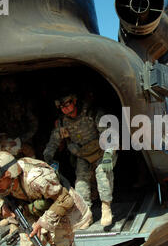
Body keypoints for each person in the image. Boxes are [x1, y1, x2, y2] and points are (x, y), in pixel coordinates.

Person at [43, 93, 117, 226]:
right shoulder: (62, 122)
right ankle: (86, 214)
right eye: (61, 107)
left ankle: (106, 207)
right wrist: (47, 157)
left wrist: (108, 155)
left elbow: (108, 135)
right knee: (81, 184)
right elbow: (53, 141)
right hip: (83, 155)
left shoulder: (93, 114)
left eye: (67, 104)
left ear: (75, 101)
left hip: (102, 151)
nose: (65, 109)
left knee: (102, 174)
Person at [0, 77, 38, 146]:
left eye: (11, 85)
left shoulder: (24, 103)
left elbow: (34, 123)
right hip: (4, 143)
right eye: (6, 85)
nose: (9, 89)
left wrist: (22, 139)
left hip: (23, 143)